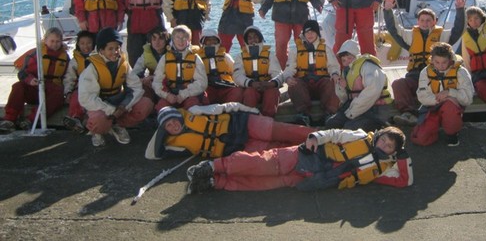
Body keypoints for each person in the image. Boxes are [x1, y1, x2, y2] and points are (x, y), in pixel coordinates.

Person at [186, 125, 412, 194]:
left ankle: (216, 183)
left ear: (393, 152)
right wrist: (314, 137)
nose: (383, 145)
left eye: (389, 146)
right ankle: (211, 166)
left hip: (309, 180)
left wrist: (403, 157)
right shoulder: (361, 137)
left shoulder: (384, 167)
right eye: (383, 140)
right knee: (261, 164)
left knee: (262, 185)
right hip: (306, 157)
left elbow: (405, 180)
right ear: (378, 136)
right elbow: (334, 134)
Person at [383, 0, 466, 126]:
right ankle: (408, 113)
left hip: (434, 77)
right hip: (415, 75)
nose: (425, 23)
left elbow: (458, 29)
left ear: (435, 21)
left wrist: (460, 9)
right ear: (418, 21)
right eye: (422, 20)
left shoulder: (442, 36)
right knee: (398, 84)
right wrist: (387, 10)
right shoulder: (410, 36)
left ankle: (432, 114)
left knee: (432, 93)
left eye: (428, 20)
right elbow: (394, 29)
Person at [145, 103, 314, 160]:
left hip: (242, 123)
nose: (174, 125)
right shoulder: (175, 145)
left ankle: (325, 134)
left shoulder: (194, 111)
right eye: (168, 126)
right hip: (235, 147)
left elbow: (226, 107)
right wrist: (161, 129)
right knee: (278, 150)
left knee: (288, 132)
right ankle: (318, 151)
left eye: (175, 120)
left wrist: (252, 111)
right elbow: (151, 154)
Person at [78, 27, 154, 147]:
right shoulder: (92, 69)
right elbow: (85, 98)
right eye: (110, 49)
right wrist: (111, 110)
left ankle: (117, 125)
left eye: (117, 48)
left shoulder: (123, 64)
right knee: (99, 121)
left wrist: (123, 107)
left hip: (119, 102)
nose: (115, 52)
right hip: (101, 106)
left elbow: (136, 87)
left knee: (146, 105)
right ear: (101, 51)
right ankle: (97, 131)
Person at [0, 27, 70, 133]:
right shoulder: (35, 54)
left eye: (58, 41)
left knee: (58, 93)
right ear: (45, 40)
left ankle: (31, 120)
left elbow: (68, 77)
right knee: (18, 86)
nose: (54, 44)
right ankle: (10, 119)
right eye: (52, 41)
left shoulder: (66, 58)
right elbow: (22, 73)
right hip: (34, 88)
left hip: (51, 93)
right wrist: (30, 80)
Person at [278, 19, 341, 126]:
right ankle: (304, 114)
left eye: (312, 31)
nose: (310, 34)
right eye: (307, 32)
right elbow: (289, 69)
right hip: (304, 84)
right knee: (294, 84)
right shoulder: (296, 50)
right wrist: (288, 77)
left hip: (321, 84)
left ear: (317, 33)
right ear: (303, 34)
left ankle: (329, 114)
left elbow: (334, 66)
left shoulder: (326, 49)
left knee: (332, 82)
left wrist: (335, 74)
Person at [412, 42, 474, 146]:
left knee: (449, 107)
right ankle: (435, 127)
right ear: (431, 60)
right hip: (432, 107)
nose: (441, 66)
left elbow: (468, 99)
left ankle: (452, 134)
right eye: (437, 62)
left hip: (452, 107)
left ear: (450, 60)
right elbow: (422, 97)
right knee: (420, 139)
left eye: (444, 62)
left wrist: (450, 92)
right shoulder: (425, 72)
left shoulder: (461, 72)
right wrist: (445, 98)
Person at [325, 39, 393, 132]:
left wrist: (352, 112)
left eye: (349, 58)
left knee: (349, 128)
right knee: (331, 123)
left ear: (356, 56)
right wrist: (342, 88)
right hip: (356, 108)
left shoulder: (368, 66)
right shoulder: (346, 71)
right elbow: (344, 98)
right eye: (343, 59)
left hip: (375, 110)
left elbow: (372, 92)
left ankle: (381, 126)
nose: (346, 61)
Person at [152, 25, 208, 113]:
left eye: (184, 37)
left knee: (193, 107)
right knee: (162, 107)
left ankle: (190, 125)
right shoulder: (165, 58)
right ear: (173, 39)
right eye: (178, 37)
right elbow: (157, 81)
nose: (181, 41)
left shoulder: (195, 58)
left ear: (189, 40)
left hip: (190, 94)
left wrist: (183, 95)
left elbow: (202, 83)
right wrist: (166, 95)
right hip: (170, 94)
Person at [232, 26, 281, 117]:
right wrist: (251, 83)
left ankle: (268, 118)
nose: (253, 40)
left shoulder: (270, 54)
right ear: (246, 41)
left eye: (255, 37)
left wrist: (271, 83)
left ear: (260, 38)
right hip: (250, 87)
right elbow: (237, 75)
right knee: (250, 92)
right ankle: (251, 118)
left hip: (267, 85)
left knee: (272, 92)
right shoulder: (240, 56)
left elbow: (277, 72)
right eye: (249, 38)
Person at [196, 29, 244, 106]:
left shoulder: (226, 57)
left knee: (237, 91)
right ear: (203, 42)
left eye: (214, 41)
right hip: (208, 88)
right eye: (208, 41)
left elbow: (236, 73)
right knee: (201, 94)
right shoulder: (198, 59)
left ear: (218, 42)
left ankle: (229, 112)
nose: (211, 43)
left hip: (225, 87)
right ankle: (208, 112)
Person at [62, 30, 96, 133]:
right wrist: (68, 92)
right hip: (81, 89)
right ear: (78, 44)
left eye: (89, 43)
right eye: (82, 43)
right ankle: (75, 119)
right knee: (76, 96)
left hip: (96, 88)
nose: (86, 46)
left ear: (93, 43)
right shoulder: (75, 61)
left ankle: (85, 122)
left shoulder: (99, 57)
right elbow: (69, 78)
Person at [129, 26, 170, 103]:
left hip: (168, 85)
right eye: (154, 39)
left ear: (166, 40)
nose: (157, 42)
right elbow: (135, 72)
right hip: (151, 85)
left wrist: (152, 77)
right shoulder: (147, 53)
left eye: (160, 39)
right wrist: (142, 80)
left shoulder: (172, 53)